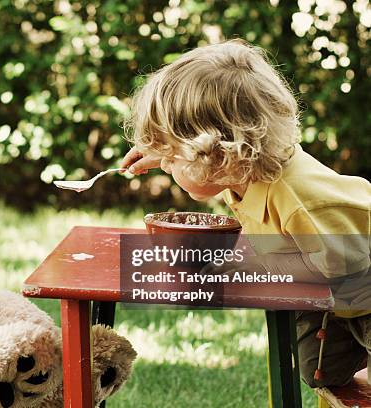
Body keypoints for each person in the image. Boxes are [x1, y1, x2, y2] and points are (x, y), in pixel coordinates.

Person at [120, 39, 371, 388]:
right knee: (319, 374)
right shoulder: (243, 170)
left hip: (359, 287)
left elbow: (336, 267)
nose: (166, 163)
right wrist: (158, 151)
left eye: (172, 155)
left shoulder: (299, 199)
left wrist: (249, 267)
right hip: (340, 296)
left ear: (219, 155)